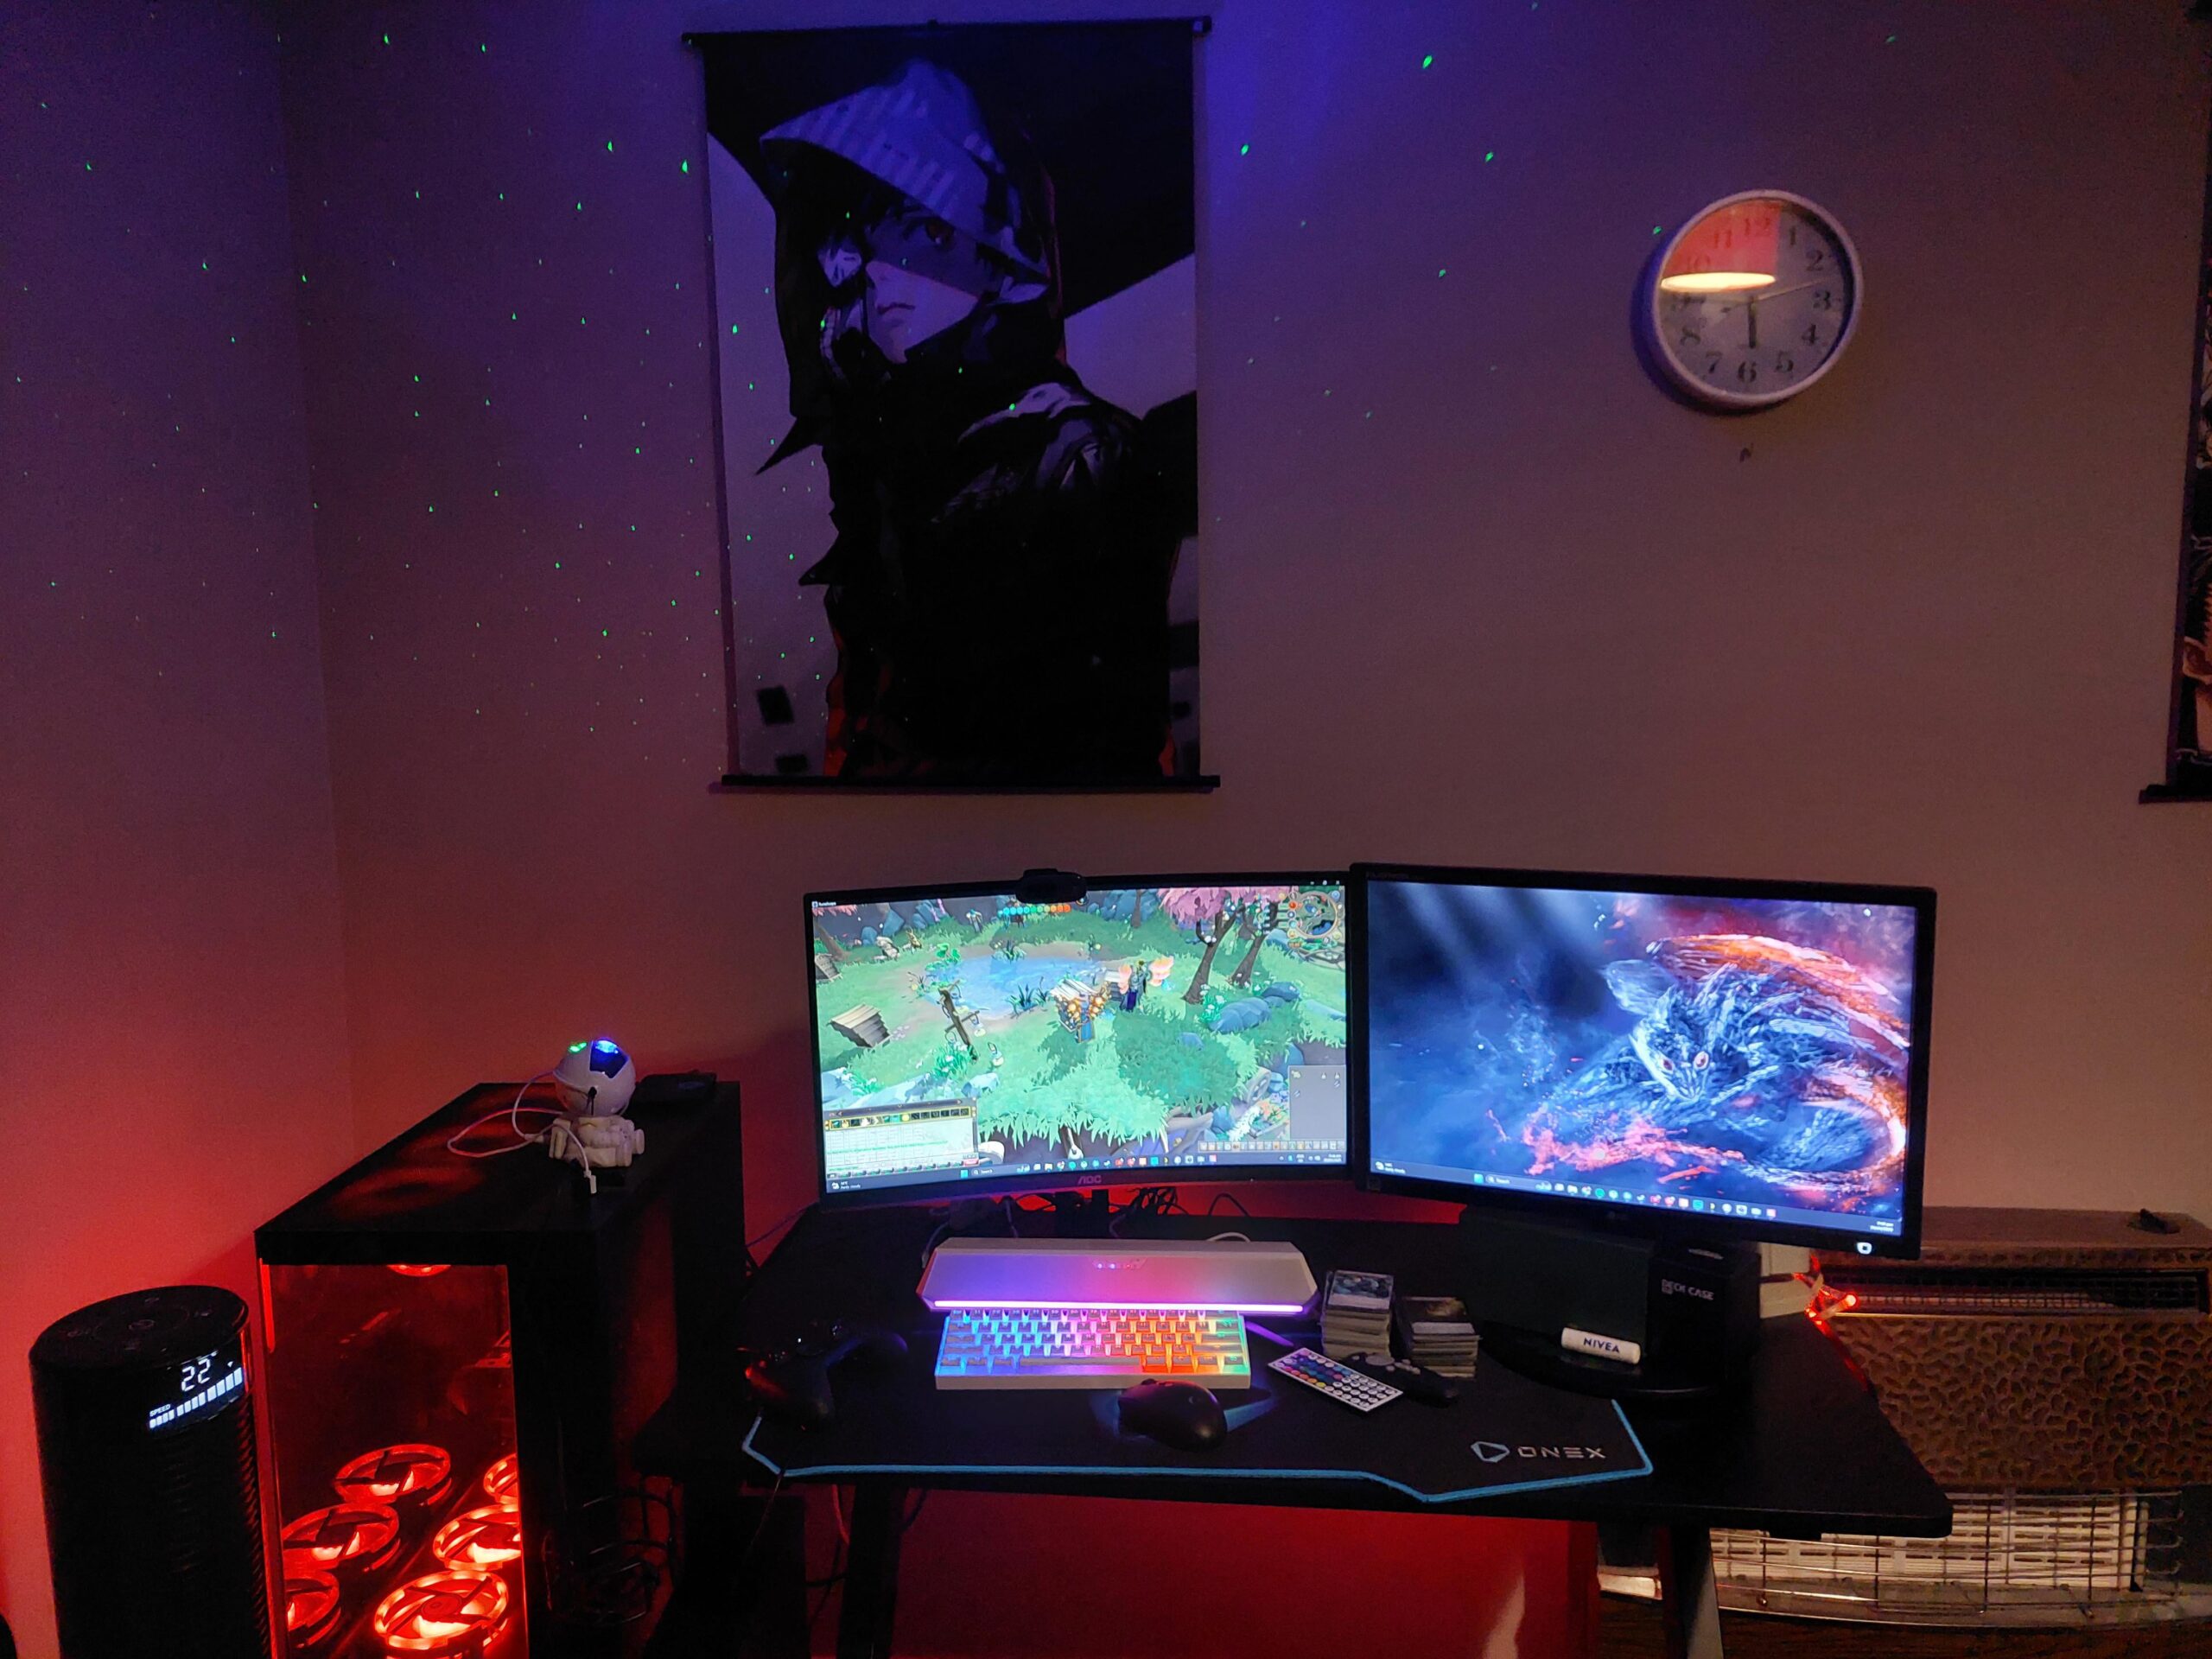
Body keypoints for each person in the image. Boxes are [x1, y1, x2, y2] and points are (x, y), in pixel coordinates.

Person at [753, 60, 1179, 779]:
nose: (884, 270)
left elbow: (1104, 738)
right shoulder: (891, 447)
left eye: (926, 231)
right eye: (871, 235)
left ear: (996, 256)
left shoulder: (1079, 457)